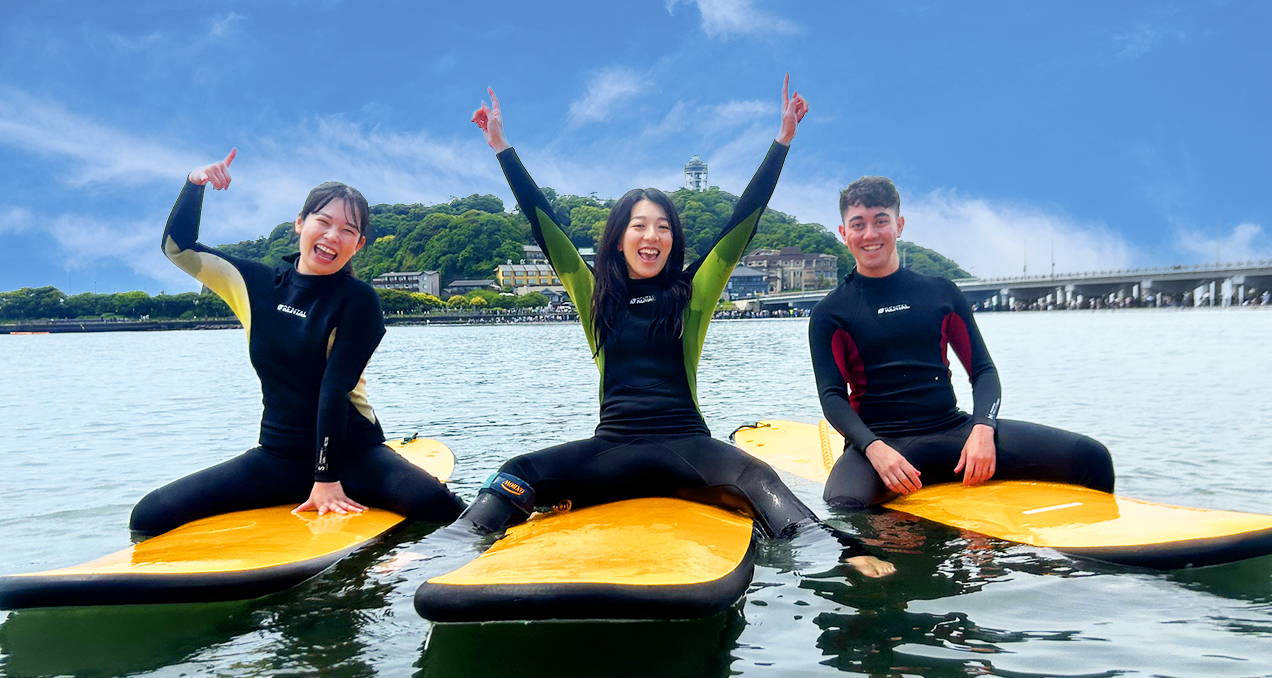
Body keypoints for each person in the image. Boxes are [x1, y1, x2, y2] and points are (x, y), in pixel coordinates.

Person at [461, 78, 891, 577]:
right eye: (639, 225)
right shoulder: (592, 291)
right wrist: (502, 148)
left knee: (758, 475)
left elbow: (741, 222)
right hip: (613, 449)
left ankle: (841, 552)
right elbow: (545, 224)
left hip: (688, 449)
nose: (651, 236)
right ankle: (450, 546)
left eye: (663, 226)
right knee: (515, 474)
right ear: (619, 237)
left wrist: (783, 141)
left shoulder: (694, 293)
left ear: (674, 239)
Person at [129, 149, 464, 536]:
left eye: (348, 231)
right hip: (277, 457)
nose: (332, 237)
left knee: (436, 507)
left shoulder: (357, 300)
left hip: (355, 456)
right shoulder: (255, 285)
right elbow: (178, 247)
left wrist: (326, 478)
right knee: (149, 515)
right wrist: (194, 183)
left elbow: (334, 389)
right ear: (300, 223)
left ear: (358, 244)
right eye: (323, 222)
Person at [810, 175, 1116, 508]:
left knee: (1092, 459)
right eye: (858, 224)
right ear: (844, 234)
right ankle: (873, 557)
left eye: (880, 221)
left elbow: (983, 371)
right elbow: (833, 398)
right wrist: (873, 449)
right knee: (842, 504)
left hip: (954, 432)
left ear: (898, 226)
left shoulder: (941, 292)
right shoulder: (830, 313)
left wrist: (983, 429)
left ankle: (1092, 549)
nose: (870, 234)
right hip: (881, 446)